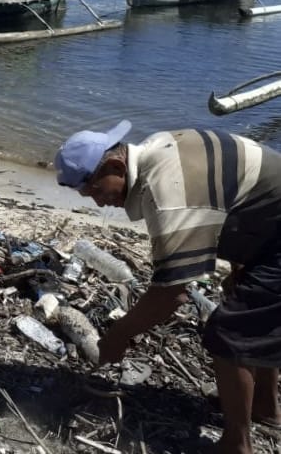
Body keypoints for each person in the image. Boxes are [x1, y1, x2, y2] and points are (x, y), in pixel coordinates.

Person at [55, 122, 281, 454]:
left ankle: (237, 445)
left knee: (229, 334)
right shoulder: (159, 147)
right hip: (271, 236)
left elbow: (171, 292)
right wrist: (241, 266)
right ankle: (264, 406)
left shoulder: (166, 190)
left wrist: (118, 336)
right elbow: (241, 198)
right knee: (251, 317)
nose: (101, 204)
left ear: (116, 166)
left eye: (97, 191)